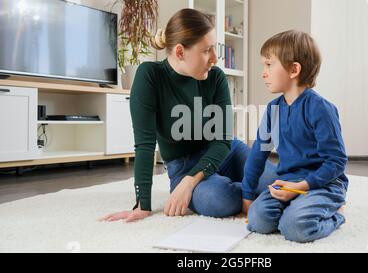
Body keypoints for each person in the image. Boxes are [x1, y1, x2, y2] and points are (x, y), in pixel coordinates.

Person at [100, 8, 275, 223]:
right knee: (220, 200)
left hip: (224, 151)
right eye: (206, 50)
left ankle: (259, 190)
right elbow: (145, 145)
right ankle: (256, 192)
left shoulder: (216, 77)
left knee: (275, 181)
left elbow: (222, 139)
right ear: (181, 52)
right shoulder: (150, 76)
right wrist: (142, 204)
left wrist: (191, 183)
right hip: (183, 166)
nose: (214, 58)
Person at [241, 30, 348, 243]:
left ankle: (337, 214)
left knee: (294, 228)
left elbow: (336, 161)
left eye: (269, 65)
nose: (263, 72)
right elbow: (258, 154)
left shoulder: (321, 109)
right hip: (288, 182)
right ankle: (296, 207)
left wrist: (302, 188)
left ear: (294, 69)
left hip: (323, 184)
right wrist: (247, 194)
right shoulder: (273, 110)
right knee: (258, 220)